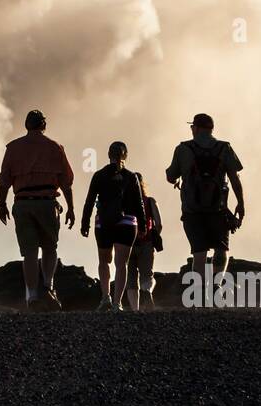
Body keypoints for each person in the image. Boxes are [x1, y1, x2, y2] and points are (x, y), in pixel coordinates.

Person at [0, 109, 75, 311]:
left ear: (26, 125)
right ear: (44, 125)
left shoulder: (13, 148)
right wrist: (71, 208)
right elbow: (66, 182)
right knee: (50, 248)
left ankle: (31, 296)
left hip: (22, 204)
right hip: (47, 203)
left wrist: (2, 203)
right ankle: (48, 286)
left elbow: (5, 180)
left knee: (29, 252)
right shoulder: (55, 148)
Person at [165, 113, 244, 296]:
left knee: (199, 252)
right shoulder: (225, 148)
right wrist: (240, 203)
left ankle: (200, 293)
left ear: (196, 128)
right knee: (221, 248)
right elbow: (234, 178)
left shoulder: (183, 149)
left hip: (192, 210)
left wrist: (178, 178)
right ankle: (216, 288)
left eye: (192, 127)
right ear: (211, 129)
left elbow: (170, 176)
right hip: (219, 209)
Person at [80, 142, 146, 312]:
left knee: (104, 261)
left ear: (108, 154)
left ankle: (105, 298)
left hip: (103, 222)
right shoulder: (132, 177)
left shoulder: (99, 175)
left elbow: (89, 201)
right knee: (121, 264)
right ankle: (117, 303)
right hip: (126, 223)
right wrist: (143, 225)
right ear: (126, 156)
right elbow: (139, 203)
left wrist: (85, 223)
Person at [125, 172, 162, 312]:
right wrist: (154, 237)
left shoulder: (124, 202)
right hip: (146, 242)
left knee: (131, 279)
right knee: (148, 275)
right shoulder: (150, 201)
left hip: (128, 243)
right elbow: (159, 224)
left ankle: (135, 310)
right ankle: (147, 291)